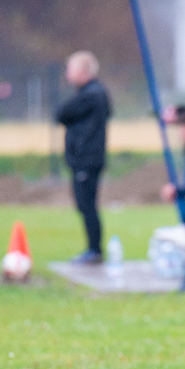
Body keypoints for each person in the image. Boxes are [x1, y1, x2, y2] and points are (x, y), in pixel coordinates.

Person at [56, 51, 112, 265]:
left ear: (83, 71)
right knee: (84, 205)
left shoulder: (92, 95)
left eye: (70, 69)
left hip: (87, 160)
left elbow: (61, 113)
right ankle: (93, 249)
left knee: (87, 205)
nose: (67, 74)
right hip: (84, 159)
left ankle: (94, 250)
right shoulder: (90, 94)